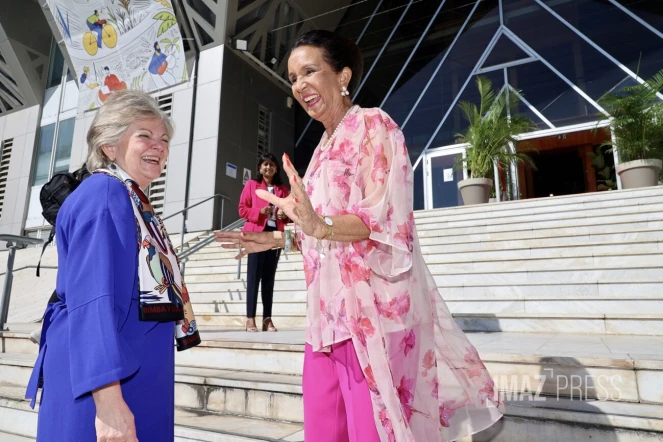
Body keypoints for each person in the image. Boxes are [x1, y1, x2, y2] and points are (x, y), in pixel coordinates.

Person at [216, 30, 504, 441]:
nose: (299, 85)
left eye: (310, 71)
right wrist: (280, 239)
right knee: (322, 432)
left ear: (343, 75)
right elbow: (321, 229)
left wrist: (316, 225)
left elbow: (381, 218)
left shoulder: (374, 126)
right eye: (294, 77)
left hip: (368, 317)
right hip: (324, 322)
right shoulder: (318, 151)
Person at [25, 90, 201, 441]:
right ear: (109, 146)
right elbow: (92, 300)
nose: (159, 145)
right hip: (106, 385)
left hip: (133, 375)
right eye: (145, 135)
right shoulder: (105, 195)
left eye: (164, 139)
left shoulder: (130, 197)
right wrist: (107, 402)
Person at [238, 152, 289, 332]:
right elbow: (242, 209)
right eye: (265, 164)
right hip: (256, 235)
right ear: (260, 168)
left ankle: (267, 319)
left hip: (274, 235)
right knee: (253, 277)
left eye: (272, 165)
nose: (268, 167)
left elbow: (290, 211)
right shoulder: (252, 185)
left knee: (269, 279)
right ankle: (250, 318)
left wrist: (285, 215)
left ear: (276, 168)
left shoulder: (282, 189)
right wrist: (259, 212)